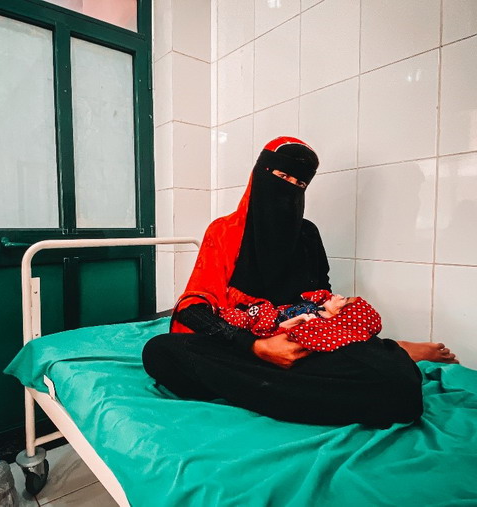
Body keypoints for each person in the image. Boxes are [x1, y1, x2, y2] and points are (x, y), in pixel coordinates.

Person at [142, 137, 456, 428]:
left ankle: (387, 355)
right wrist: (255, 346)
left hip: (302, 341)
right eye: (281, 177)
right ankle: (377, 359)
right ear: (260, 175)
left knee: (400, 386)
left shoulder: (307, 234)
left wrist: (306, 327)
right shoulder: (224, 231)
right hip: (240, 341)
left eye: (299, 183)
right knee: (161, 352)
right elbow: (193, 307)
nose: (289, 188)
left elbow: (323, 298)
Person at [219, 289, 382, 353]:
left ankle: (219, 311)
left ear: (341, 313)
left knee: (239, 317)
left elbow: (281, 328)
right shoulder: (317, 307)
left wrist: (301, 318)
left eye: (343, 300)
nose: (338, 296)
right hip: (272, 310)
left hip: (269, 321)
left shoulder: (315, 325)